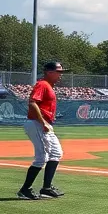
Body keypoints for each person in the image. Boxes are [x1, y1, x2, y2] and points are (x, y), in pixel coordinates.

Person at [18, 62, 65, 200]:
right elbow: (32, 102)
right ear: (49, 72)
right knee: (41, 158)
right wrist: (42, 121)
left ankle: (46, 188)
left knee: (56, 153)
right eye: (59, 72)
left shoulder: (49, 86)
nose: (61, 75)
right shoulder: (42, 84)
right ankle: (25, 190)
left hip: (43, 124)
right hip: (37, 124)